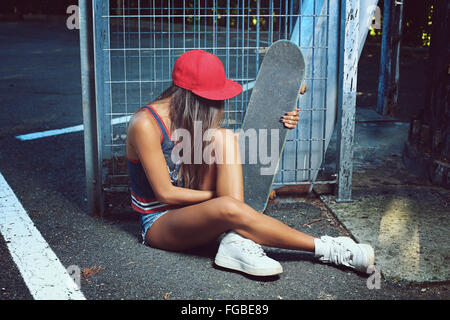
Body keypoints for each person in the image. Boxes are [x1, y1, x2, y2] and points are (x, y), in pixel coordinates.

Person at [126, 50, 375, 276]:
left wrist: (281, 117)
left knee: (224, 138)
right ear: (194, 97)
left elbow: (242, 141)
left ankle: (235, 241)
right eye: (213, 100)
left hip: (197, 205)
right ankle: (327, 248)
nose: (217, 106)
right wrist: (217, 198)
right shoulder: (145, 124)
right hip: (160, 222)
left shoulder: (187, 114)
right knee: (227, 205)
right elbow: (165, 193)